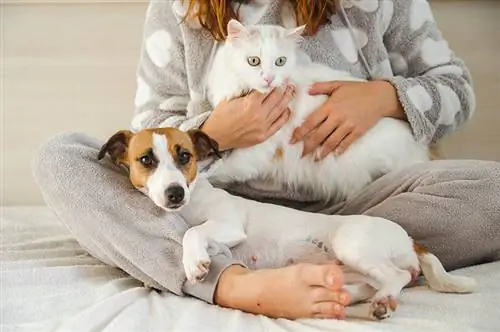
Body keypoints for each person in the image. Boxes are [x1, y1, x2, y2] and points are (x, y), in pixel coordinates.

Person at [32, 0, 500, 321]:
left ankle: (349, 261)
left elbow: (456, 87)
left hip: (362, 207)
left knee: (491, 189)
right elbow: (152, 135)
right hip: (218, 211)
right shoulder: (178, 8)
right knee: (61, 159)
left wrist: (384, 97)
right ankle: (234, 284)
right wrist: (215, 133)